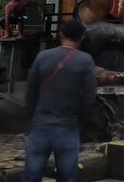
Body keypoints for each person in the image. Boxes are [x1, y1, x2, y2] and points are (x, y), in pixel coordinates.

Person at [23, 19, 97, 182]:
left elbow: (30, 92)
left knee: (31, 175)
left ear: (61, 35)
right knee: (67, 177)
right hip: (68, 128)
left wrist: (32, 119)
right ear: (82, 38)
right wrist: (81, 123)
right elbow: (89, 99)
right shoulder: (85, 61)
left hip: (40, 125)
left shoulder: (42, 57)